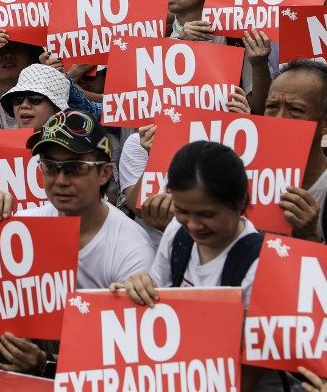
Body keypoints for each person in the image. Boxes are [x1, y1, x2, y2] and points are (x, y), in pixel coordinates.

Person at [0, 110, 155, 374]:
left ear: (104, 174)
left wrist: (46, 366)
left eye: (73, 168)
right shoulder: (22, 227)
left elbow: (131, 358)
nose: (60, 180)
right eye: (50, 166)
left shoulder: (132, 249)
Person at [110, 140, 290, 391]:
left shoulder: (260, 268)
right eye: (183, 211)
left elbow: (243, 377)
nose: (193, 225)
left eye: (207, 215)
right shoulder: (177, 233)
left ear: (240, 204)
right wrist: (137, 289)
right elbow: (157, 301)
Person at [264, 60, 327, 245]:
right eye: (272, 107)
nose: (279, 119)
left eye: (295, 110)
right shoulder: (242, 177)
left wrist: (310, 237)